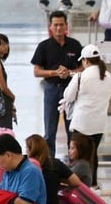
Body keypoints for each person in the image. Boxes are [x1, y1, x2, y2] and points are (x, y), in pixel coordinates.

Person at [30, 10, 83, 158]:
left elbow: (83, 67)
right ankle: (49, 162)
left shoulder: (75, 45)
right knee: (50, 129)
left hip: (71, 90)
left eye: (61, 24)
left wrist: (69, 73)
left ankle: (73, 160)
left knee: (72, 128)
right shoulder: (44, 46)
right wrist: (55, 73)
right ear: (50, 26)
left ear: (66, 25)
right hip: (51, 89)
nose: (59, 28)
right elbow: (37, 71)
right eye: (55, 25)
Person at [60, 44, 111, 187]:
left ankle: (80, 184)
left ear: (86, 61)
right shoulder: (108, 76)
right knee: (92, 154)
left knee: (79, 157)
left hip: (82, 123)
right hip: (99, 123)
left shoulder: (81, 76)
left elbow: (68, 96)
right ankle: (94, 183)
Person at [26, 134, 82, 204]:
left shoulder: (26, 166)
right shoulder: (55, 163)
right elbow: (76, 182)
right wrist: (58, 179)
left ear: (30, 150)